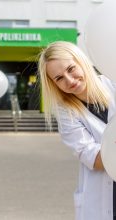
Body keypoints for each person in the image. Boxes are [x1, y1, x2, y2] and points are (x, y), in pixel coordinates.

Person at [38, 41, 116, 220]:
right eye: (59, 78)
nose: (69, 80)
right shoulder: (66, 112)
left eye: (71, 69)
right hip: (102, 201)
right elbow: (91, 156)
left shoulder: (113, 84)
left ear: (82, 61)